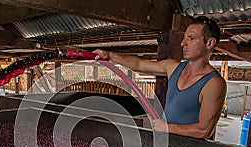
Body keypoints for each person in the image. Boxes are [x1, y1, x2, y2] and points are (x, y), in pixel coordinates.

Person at [93, 16, 226, 139]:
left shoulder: (213, 84)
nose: (183, 43)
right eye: (184, 37)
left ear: (209, 43)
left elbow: (205, 130)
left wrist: (167, 127)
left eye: (191, 38)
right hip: (166, 144)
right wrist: (110, 56)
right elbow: (139, 64)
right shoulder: (173, 68)